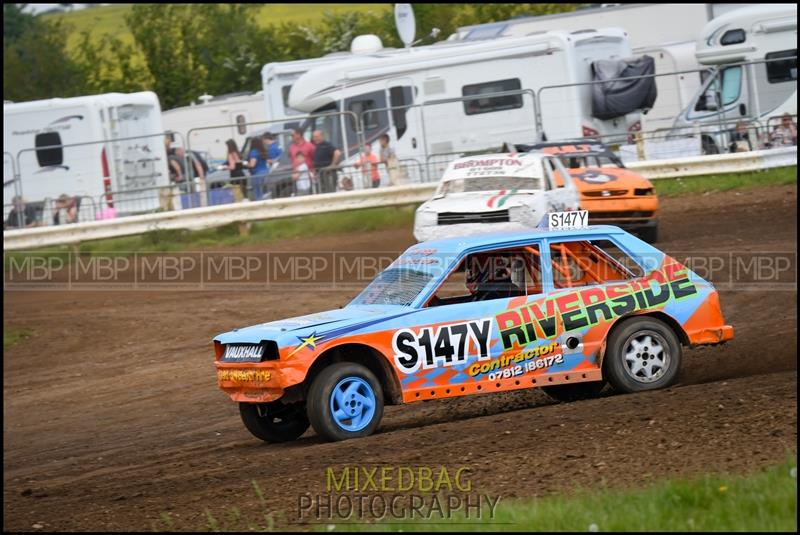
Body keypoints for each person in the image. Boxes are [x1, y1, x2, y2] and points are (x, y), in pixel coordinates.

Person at [311, 130, 341, 194]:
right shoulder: (316, 146)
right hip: (320, 174)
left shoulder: (327, 145)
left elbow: (337, 153)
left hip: (328, 174)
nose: (315, 139)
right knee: (322, 192)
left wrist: (332, 166)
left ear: (322, 136)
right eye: (314, 137)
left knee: (330, 192)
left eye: (317, 136)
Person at [262, 132, 287, 199]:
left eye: (263, 140)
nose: (264, 142)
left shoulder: (271, 148)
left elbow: (273, 161)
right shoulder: (278, 145)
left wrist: (267, 160)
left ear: (266, 139)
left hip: (275, 170)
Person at [247, 136, 270, 201]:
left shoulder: (254, 152)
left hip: (257, 174)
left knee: (258, 194)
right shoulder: (262, 151)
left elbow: (252, 164)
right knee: (266, 193)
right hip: (266, 172)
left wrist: (246, 164)